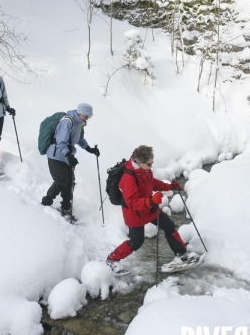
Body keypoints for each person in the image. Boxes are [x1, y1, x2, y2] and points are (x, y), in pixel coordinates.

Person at [105, 145, 199, 274]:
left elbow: (152, 183)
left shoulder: (145, 170)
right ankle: (111, 260)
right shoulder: (128, 178)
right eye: (149, 164)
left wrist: (170, 186)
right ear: (140, 162)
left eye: (152, 163)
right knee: (136, 241)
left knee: (169, 226)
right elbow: (131, 202)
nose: (151, 167)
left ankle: (182, 254)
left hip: (149, 208)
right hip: (135, 213)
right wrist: (151, 200)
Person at [41, 103, 100, 218]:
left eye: (89, 117)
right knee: (61, 181)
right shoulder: (67, 122)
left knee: (70, 182)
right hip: (56, 155)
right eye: (86, 116)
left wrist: (90, 149)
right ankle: (46, 201)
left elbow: (80, 139)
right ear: (80, 113)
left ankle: (66, 206)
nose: (87, 118)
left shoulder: (79, 124)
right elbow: (61, 142)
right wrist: (69, 156)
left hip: (66, 155)